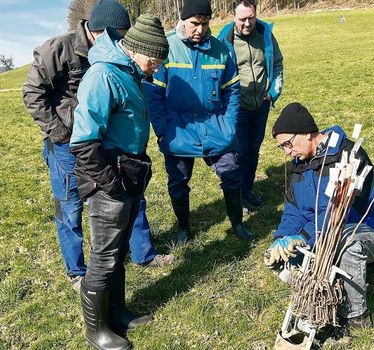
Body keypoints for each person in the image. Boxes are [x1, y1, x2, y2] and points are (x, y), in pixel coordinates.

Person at [23, 0, 173, 295]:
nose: (123, 42)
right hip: (70, 144)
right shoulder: (58, 48)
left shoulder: (118, 56)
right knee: (70, 205)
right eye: (117, 35)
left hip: (108, 140)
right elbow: (32, 93)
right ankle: (78, 271)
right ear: (98, 31)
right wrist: (62, 134)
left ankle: (141, 252)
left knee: (129, 197)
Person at [69, 15, 169, 350]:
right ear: (138, 50)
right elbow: (83, 142)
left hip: (127, 176)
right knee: (103, 257)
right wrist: (111, 184)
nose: (154, 69)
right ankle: (95, 331)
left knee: (120, 250)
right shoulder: (103, 76)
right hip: (108, 183)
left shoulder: (129, 72)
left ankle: (118, 313)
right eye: (154, 62)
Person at [265, 102, 374, 339]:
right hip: (322, 232)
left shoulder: (349, 156)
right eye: (281, 146)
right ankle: (318, 303)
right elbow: (294, 209)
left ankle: (357, 317)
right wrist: (282, 238)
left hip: (370, 228)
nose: (286, 151)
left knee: (346, 245)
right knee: (282, 258)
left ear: (307, 133)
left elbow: (336, 213)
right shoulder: (300, 165)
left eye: (287, 143)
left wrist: (302, 237)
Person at [145, 0, 253, 243]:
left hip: (215, 126)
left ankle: (237, 224)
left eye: (205, 24)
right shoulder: (167, 48)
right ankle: (183, 229)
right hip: (178, 129)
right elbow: (153, 95)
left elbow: (232, 91)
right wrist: (162, 130)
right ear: (183, 20)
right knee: (178, 182)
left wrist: (230, 125)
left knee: (231, 172)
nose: (200, 29)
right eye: (195, 23)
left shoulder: (222, 50)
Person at [218, 0, 284, 213]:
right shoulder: (223, 39)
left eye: (251, 18)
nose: (247, 23)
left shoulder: (265, 33)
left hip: (261, 105)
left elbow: (277, 64)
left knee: (253, 150)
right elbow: (216, 74)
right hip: (237, 107)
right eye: (242, 19)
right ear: (233, 16)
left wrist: (272, 93)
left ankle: (247, 191)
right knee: (238, 152)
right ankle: (237, 197)